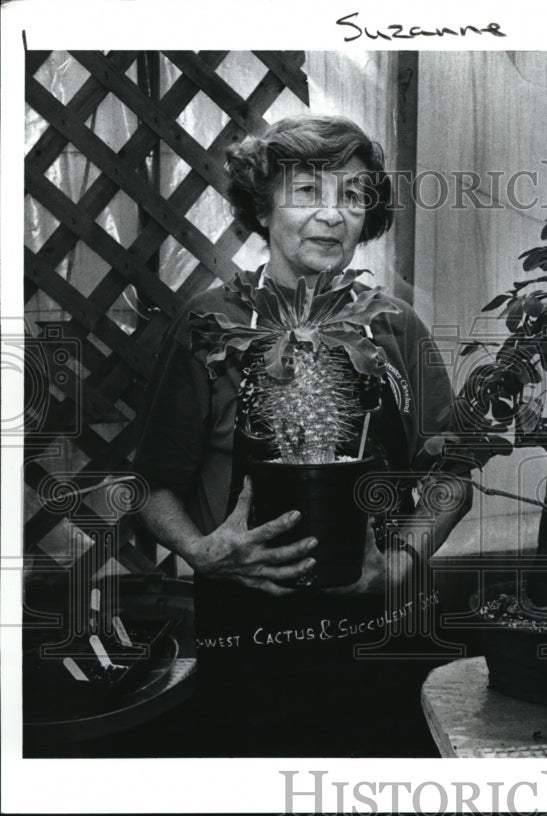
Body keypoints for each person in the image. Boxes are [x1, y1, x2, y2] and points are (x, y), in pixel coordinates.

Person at [133, 115, 471, 757]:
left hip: (382, 636)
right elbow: (150, 485)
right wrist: (203, 551)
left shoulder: (396, 327)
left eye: (351, 195)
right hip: (247, 646)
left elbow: (452, 477)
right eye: (307, 191)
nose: (332, 215)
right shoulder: (210, 324)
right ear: (263, 207)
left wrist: (398, 567)